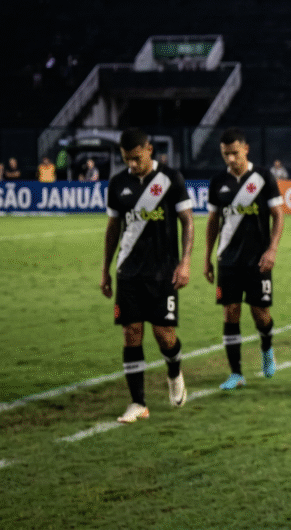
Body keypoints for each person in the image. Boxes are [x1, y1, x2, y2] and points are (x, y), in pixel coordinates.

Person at [101, 128, 194, 423]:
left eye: (137, 158)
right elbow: (113, 227)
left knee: (164, 335)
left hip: (163, 273)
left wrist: (185, 262)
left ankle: (174, 371)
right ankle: (137, 402)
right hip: (127, 272)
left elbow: (187, 223)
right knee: (131, 334)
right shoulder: (118, 184)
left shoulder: (171, 180)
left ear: (149, 149)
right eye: (127, 159)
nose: (132, 165)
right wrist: (105, 269)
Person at [204, 128, 285, 390]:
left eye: (235, 153)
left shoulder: (263, 177)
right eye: (226, 154)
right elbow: (213, 221)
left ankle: (266, 348)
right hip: (227, 260)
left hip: (258, 260)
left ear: (246, 149)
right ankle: (236, 373)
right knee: (230, 313)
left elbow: (278, 215)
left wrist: (272, 249)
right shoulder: (218, 181)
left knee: (260, 314)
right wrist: (207, 257)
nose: (230, 159)